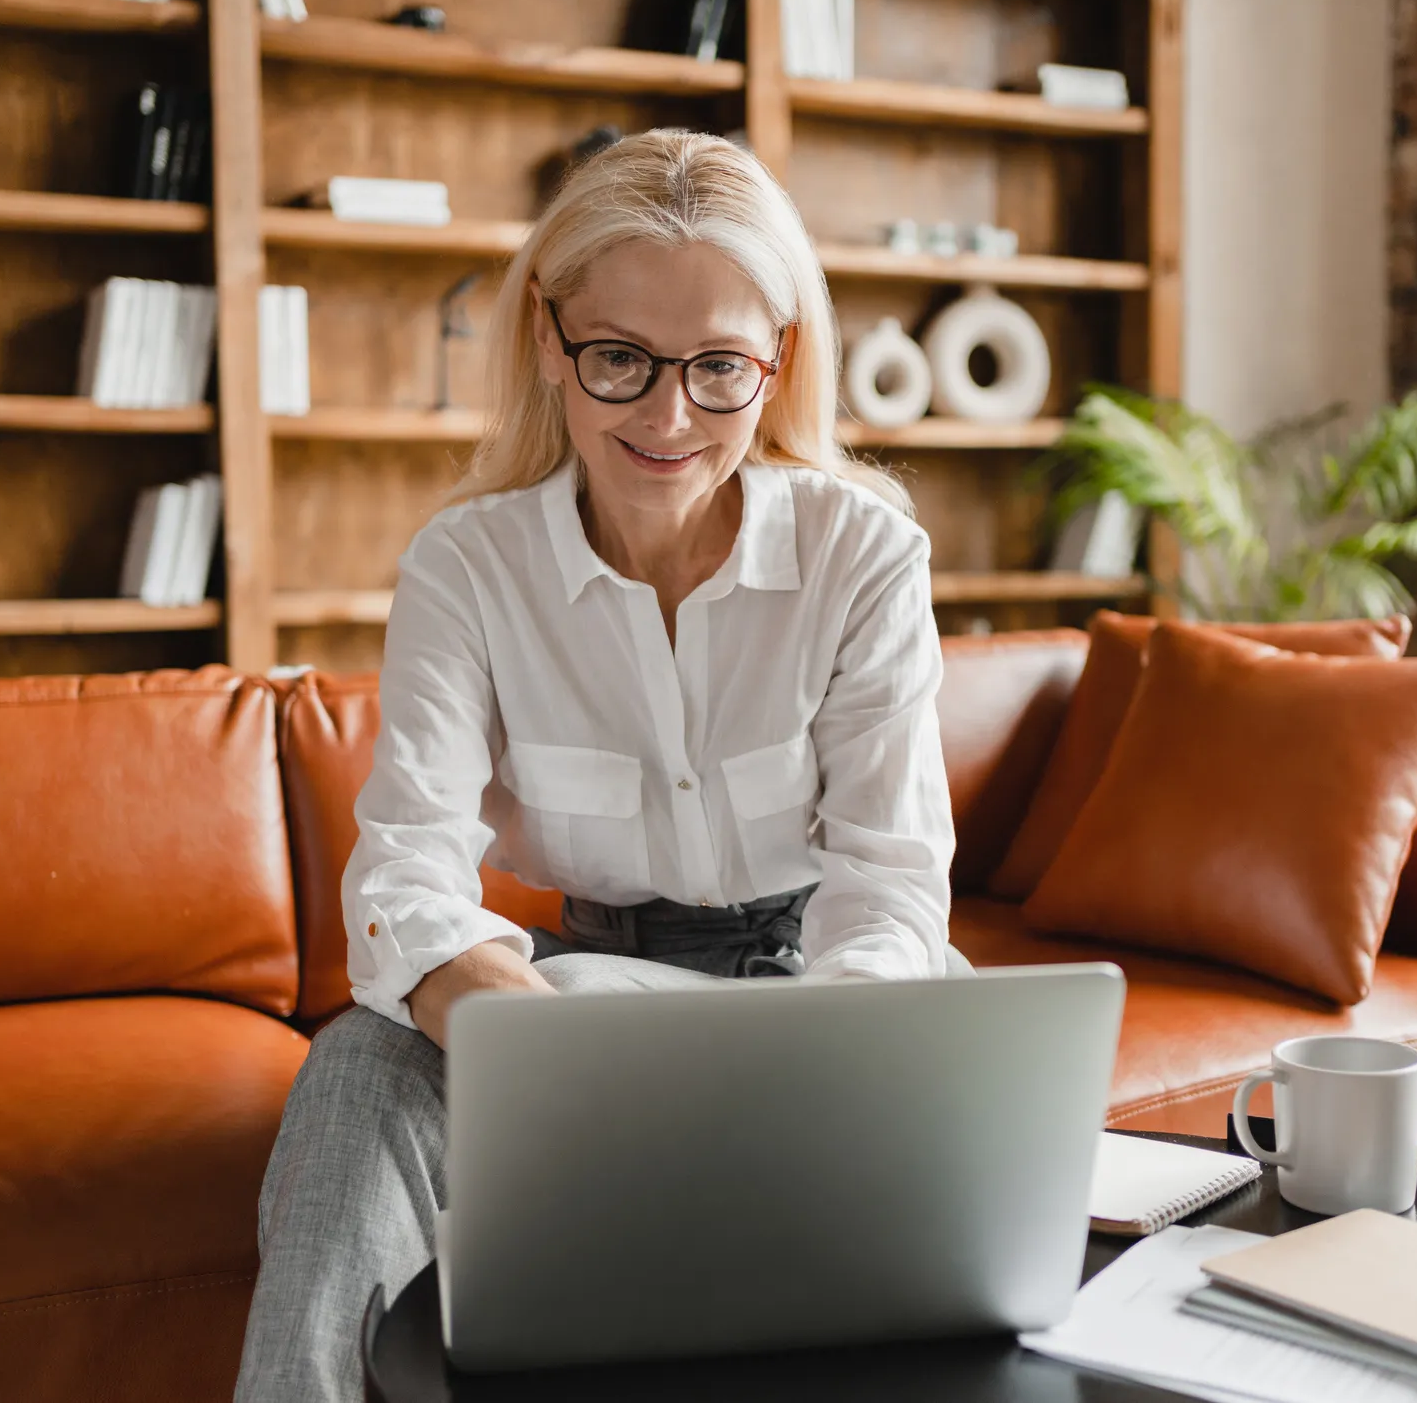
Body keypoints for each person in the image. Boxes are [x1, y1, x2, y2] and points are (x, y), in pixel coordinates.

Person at [234, 128, 960, 1402]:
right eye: (620, 357)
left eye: (719, 367)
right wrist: (544, 1060)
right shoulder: (468, 567)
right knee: (357, 1068)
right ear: (547, 344)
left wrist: (825, 1072)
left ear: (777, 361)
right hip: (572, 996)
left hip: (830, 993)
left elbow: (891, 893)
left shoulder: (864, 558)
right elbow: (403, 882)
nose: (668, 416)